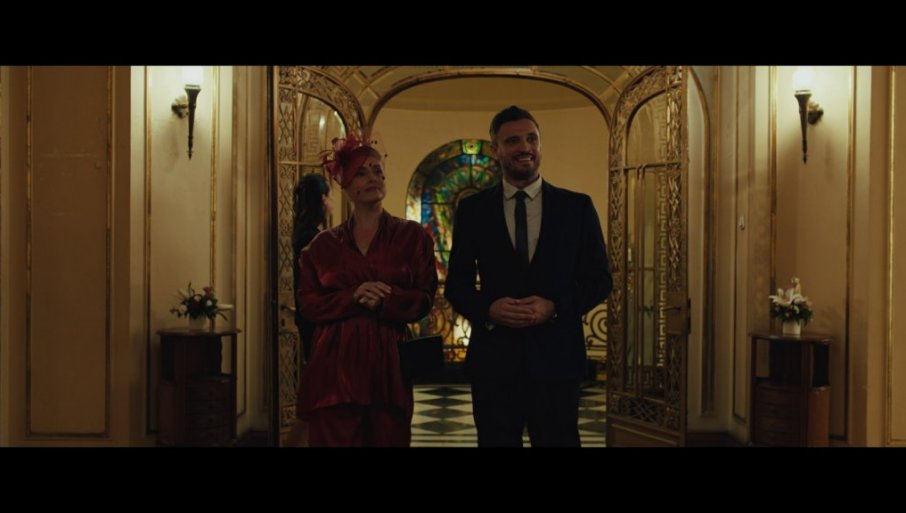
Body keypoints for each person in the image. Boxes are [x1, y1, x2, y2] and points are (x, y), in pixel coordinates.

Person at [444, 105, 613, 447]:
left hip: (556, 361)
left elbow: (600, 279)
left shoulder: (577, 207)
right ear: (495, 149)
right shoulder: (473, 210)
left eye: (532, 138)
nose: (525, 147)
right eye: (513, 141)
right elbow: (457, 285)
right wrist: (488, 308)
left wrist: (555, 307)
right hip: (495, 362)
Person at [295, 132, 438, 447]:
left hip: (389, 366)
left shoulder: (412, 237)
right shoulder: (321, 246)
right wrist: (353, 297)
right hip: (334, 368)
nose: (372, 177)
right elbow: (308, 304)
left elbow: (425, 297)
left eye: (377, 170)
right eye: (361, 172)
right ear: (345, 184)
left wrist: (387, 299)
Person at [292, 172, 332, 363]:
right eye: (331, 196)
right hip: (315, 314)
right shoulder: (311, 237)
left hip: (310, 312)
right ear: (323, 199)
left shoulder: (304, 231)